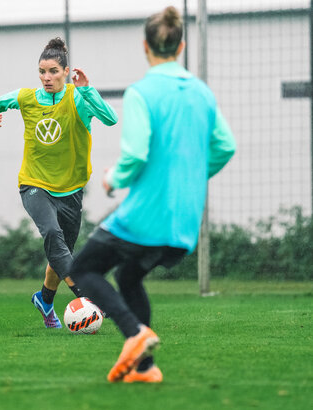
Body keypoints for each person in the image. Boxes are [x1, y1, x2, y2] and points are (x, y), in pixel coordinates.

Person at [66, 6, 236, 383]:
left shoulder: (141, 93)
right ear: (181, 45)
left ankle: (135, 332)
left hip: (145, 216)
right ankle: (145, 369)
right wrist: (190, 178)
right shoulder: (201, 93)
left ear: (146, 46)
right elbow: (225, 146)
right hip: (184, 225)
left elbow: (137, 153)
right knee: (128, 277)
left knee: (83, 269)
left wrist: (114, 177)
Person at [0, 37, 118, 329]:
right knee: (54, 237)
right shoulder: (28, 98)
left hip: (71, 190)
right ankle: (90, 297)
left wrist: (88, 90)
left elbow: (111, 119)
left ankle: (45, 298)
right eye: (42, 71)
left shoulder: (78, 98)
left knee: (61, 253)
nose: (46, 78)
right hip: (34, 184)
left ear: (66, 72)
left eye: (53, 71)